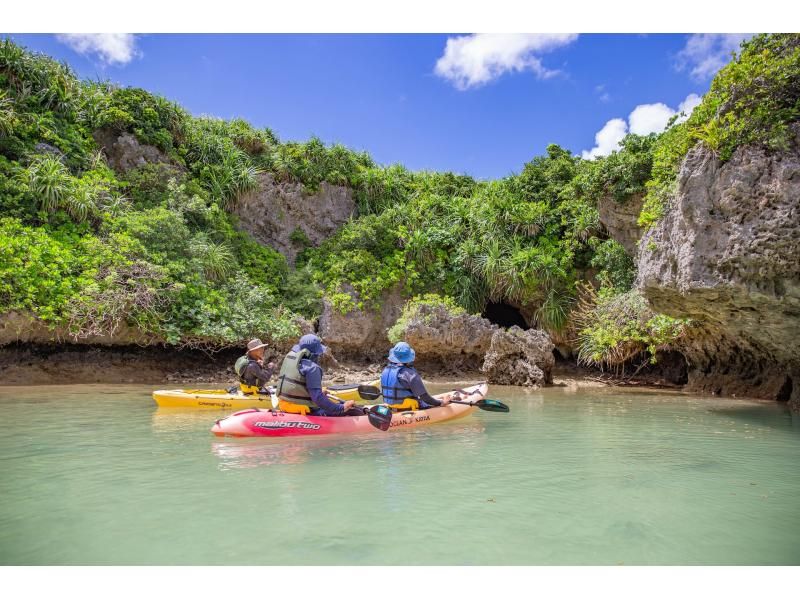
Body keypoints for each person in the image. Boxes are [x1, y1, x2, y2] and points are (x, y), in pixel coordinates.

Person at [276, 334, 361, 416]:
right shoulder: (312, 368)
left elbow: (295, 387)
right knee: (353, 410)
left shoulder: (290, 359)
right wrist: (342, 407)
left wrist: (316, 393)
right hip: (305, 410)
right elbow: (317, 399)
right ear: (313, 354)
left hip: (285, 406)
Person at [380, 341, 450, 410]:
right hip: (407, 407)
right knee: (433, 401)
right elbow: (424, 397)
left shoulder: (385, 370)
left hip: (390, 406)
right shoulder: (410, 374)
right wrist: (441, 403)